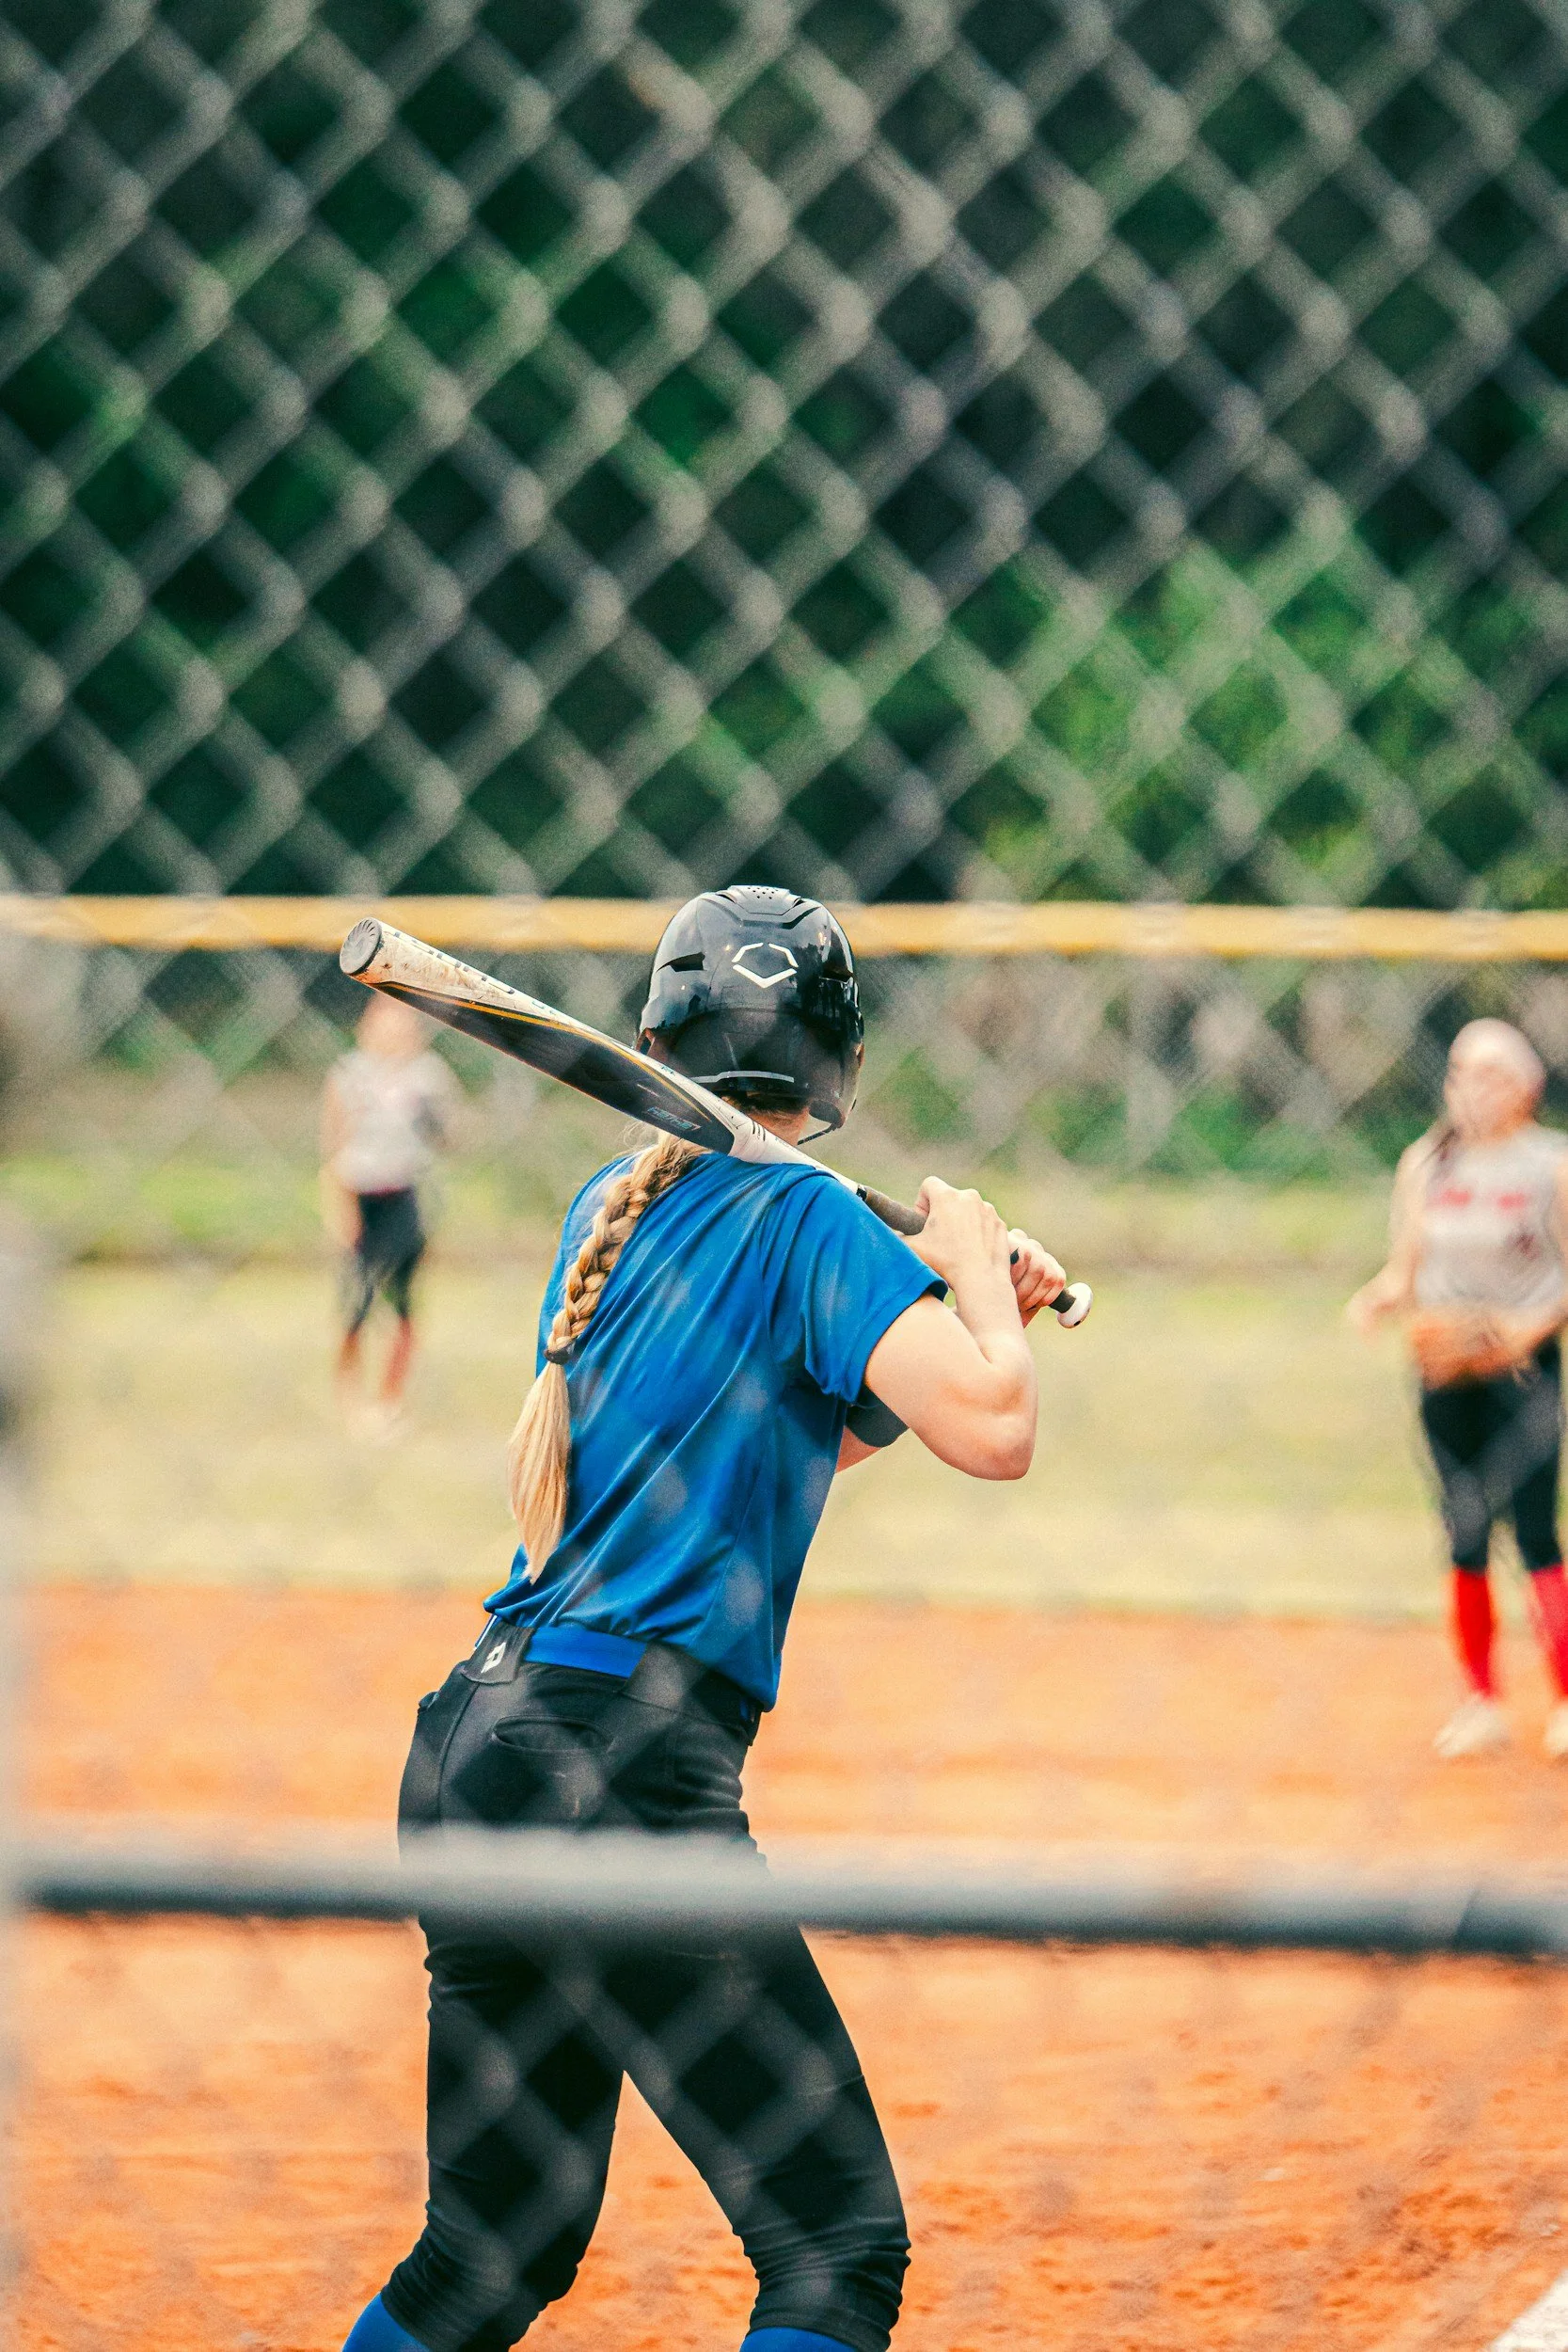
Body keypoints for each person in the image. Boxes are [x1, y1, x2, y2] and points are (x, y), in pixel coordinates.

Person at [339, 884, 1065, 2352]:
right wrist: (977, 1279)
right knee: (833, 2252)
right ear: (833, 1056)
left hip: (481, 1744)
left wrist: (982, 1310)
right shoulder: (801, 1213)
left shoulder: (610, 1211)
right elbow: (996, 1432)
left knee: (492, 2246)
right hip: (624, 1764)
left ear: (662, 1035)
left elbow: (803, 1436)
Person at [1349, 1017, 1568, 1761]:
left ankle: (1565, 1699)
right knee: (1464, 1531)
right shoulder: (1427, 1163)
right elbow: (1403, 1270)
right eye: (1460, 1072)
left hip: (1524, 1373)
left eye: (1490, 1074)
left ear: (1527, 1088)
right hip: (1443, 1372)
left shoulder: (1550, 1164)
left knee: (1536, 1532)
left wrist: (1522, 1332)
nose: (1470, 1089)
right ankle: (1480, 1702)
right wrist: (1375, 1301)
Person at [322, 993, 459, 1435]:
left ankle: (390, 1399)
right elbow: (333, 1144)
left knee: (403, 1304)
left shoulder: (429, 1076)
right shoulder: (348, 1074)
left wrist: (434, 1119)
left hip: (405, 1193)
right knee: (355, 1304)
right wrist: (338, 1206)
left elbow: (449, 1137)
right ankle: (349, 1396)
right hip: (361, 1192)